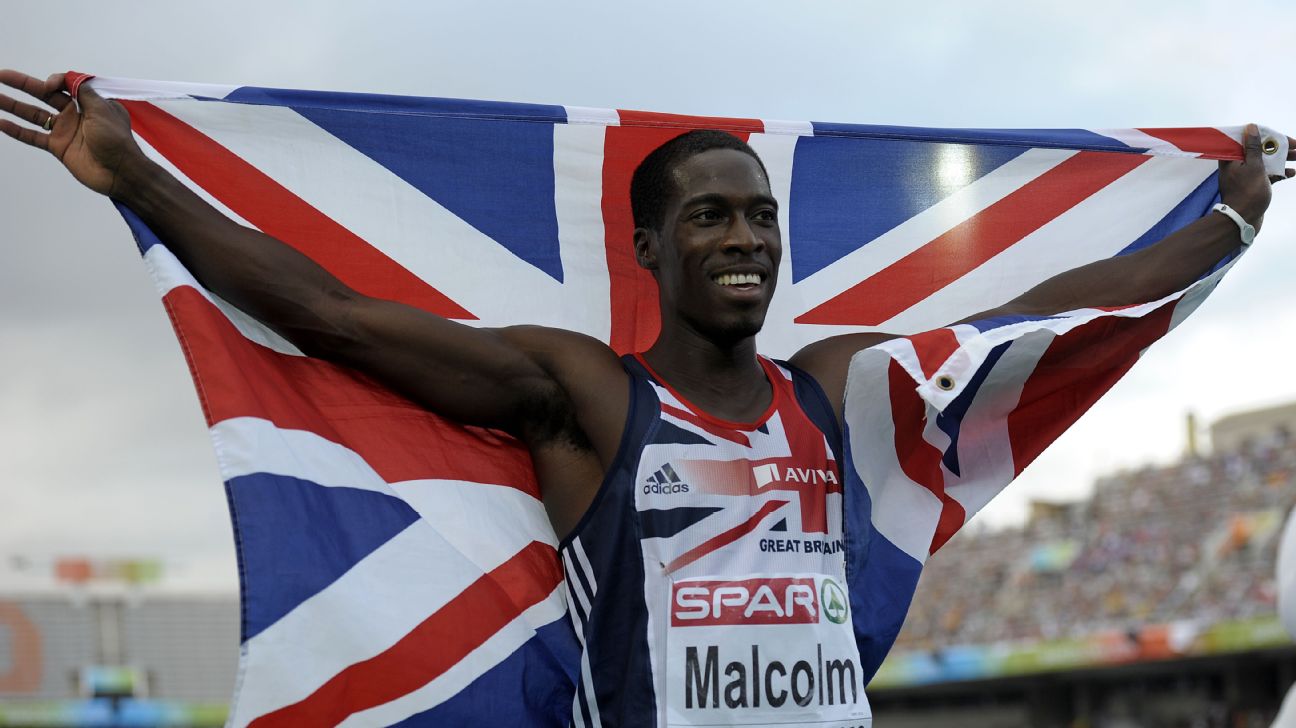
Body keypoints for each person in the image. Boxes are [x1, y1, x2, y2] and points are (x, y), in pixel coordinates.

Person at [1, 69, 1291, 727]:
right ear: (649, 249)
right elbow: (333, 316)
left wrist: (1227, 220)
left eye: (761, 217)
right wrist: (135, 176)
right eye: (710, 216)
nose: (746, 239)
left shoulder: (832, 391)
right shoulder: (589, 399)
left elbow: (1049, 312)